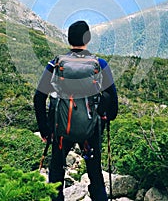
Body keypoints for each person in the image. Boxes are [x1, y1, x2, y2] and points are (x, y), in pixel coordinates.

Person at [34, 20, 118, 201]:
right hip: (91, 130)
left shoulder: (55, 64)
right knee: (95, 172)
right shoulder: (99, 63)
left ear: (68, 39)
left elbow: (39, 97)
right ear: (87, 38)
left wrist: (45, 129)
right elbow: (113, 98)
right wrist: (106, 119)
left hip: (61, 129)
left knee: (56, 172)